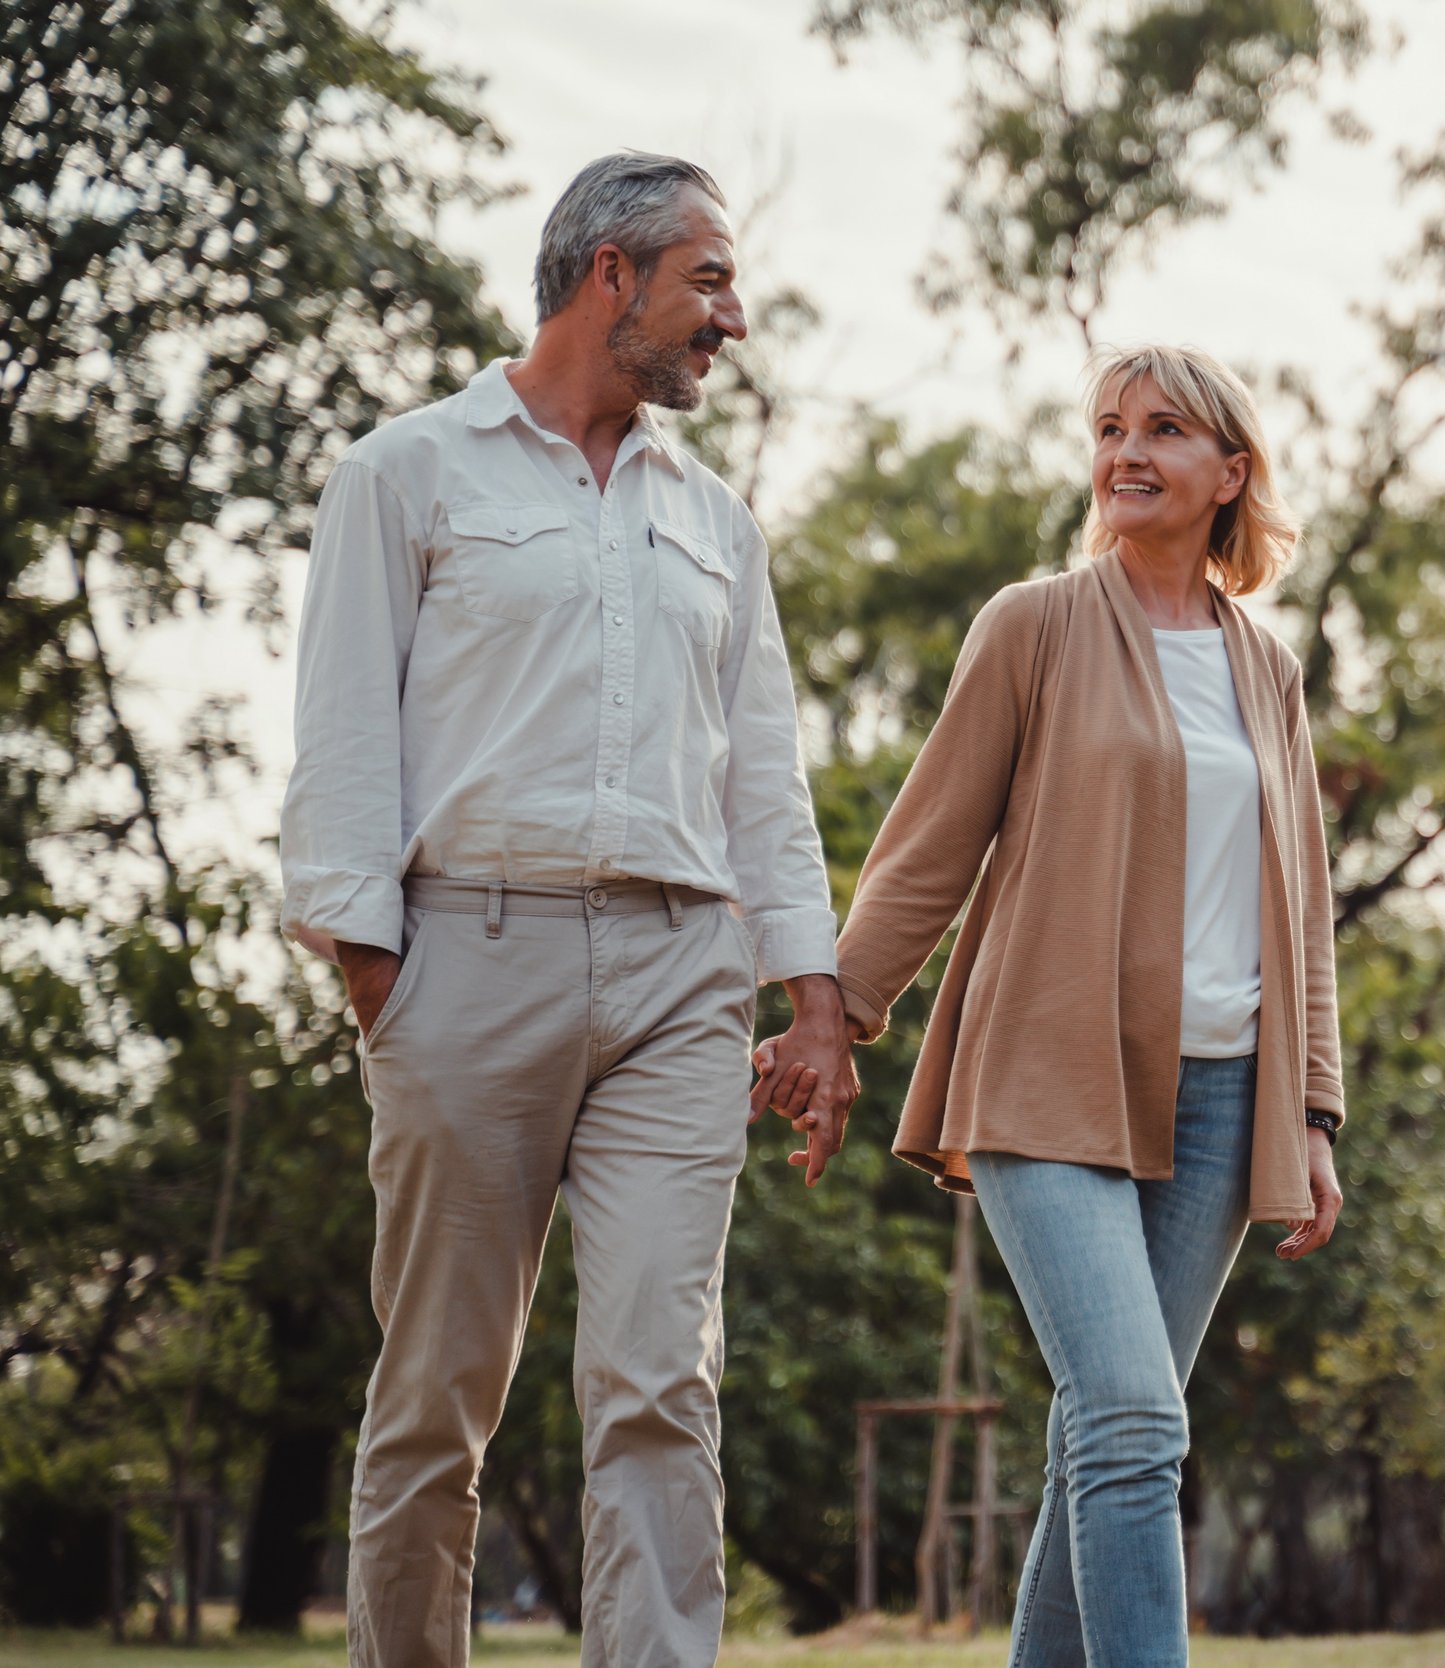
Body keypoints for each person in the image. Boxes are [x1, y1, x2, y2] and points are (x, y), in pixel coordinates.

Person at [279, 151, 859, 1668]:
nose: (729, 319)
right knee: (437, 1396)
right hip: (465, 960)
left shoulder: (719, 524)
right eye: (708, 282)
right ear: (613, 275)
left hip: (682, 980)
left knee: (664, 1383)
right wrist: (375, 975)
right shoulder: (406, 471)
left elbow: (764, 782)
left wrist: (814, 999)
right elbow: (344, 741)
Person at [767, 343, 1347, 1664]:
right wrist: (834, 1014)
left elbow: (1301, 909)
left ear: (1231, 474)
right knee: (1137, 1420)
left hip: (1220, 1098)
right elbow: (927, 845)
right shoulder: (1032, 627)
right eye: (1108, 429)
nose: (1127, 451)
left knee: (1103, 1434)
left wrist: (1311, 1110)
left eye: (1164, 430)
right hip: (1047, 1072)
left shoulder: (1269, 671)